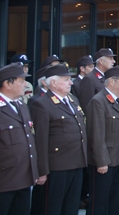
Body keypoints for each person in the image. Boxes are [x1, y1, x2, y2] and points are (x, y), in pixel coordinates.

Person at [30, 64, 87, 215]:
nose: (71, 83)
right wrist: (42, 170)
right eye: (66, 79)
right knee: (53, 207)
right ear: (53, 83)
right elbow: (40, 141)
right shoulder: (41, 104)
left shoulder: (72, 100)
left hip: (76, 162)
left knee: (71, 206)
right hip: (56, 166)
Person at [85, 65, 119, 215]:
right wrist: (101, 161)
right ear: (112, 81)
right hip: (105, 160)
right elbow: (96, 134)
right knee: (100, 200)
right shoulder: (98, 101)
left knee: (116, 199)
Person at [0, 62, 39, 215]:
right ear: (7, 84)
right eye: (21, 81)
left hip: (24, 177)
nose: (25, 85)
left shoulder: (21, 105)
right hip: (5, 179)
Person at [78, 48, 116, 114]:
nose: (114, 61)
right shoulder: (89, 79)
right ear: (101, 61)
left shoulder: (108, 77)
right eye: (110, 59)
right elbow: (87, 106)